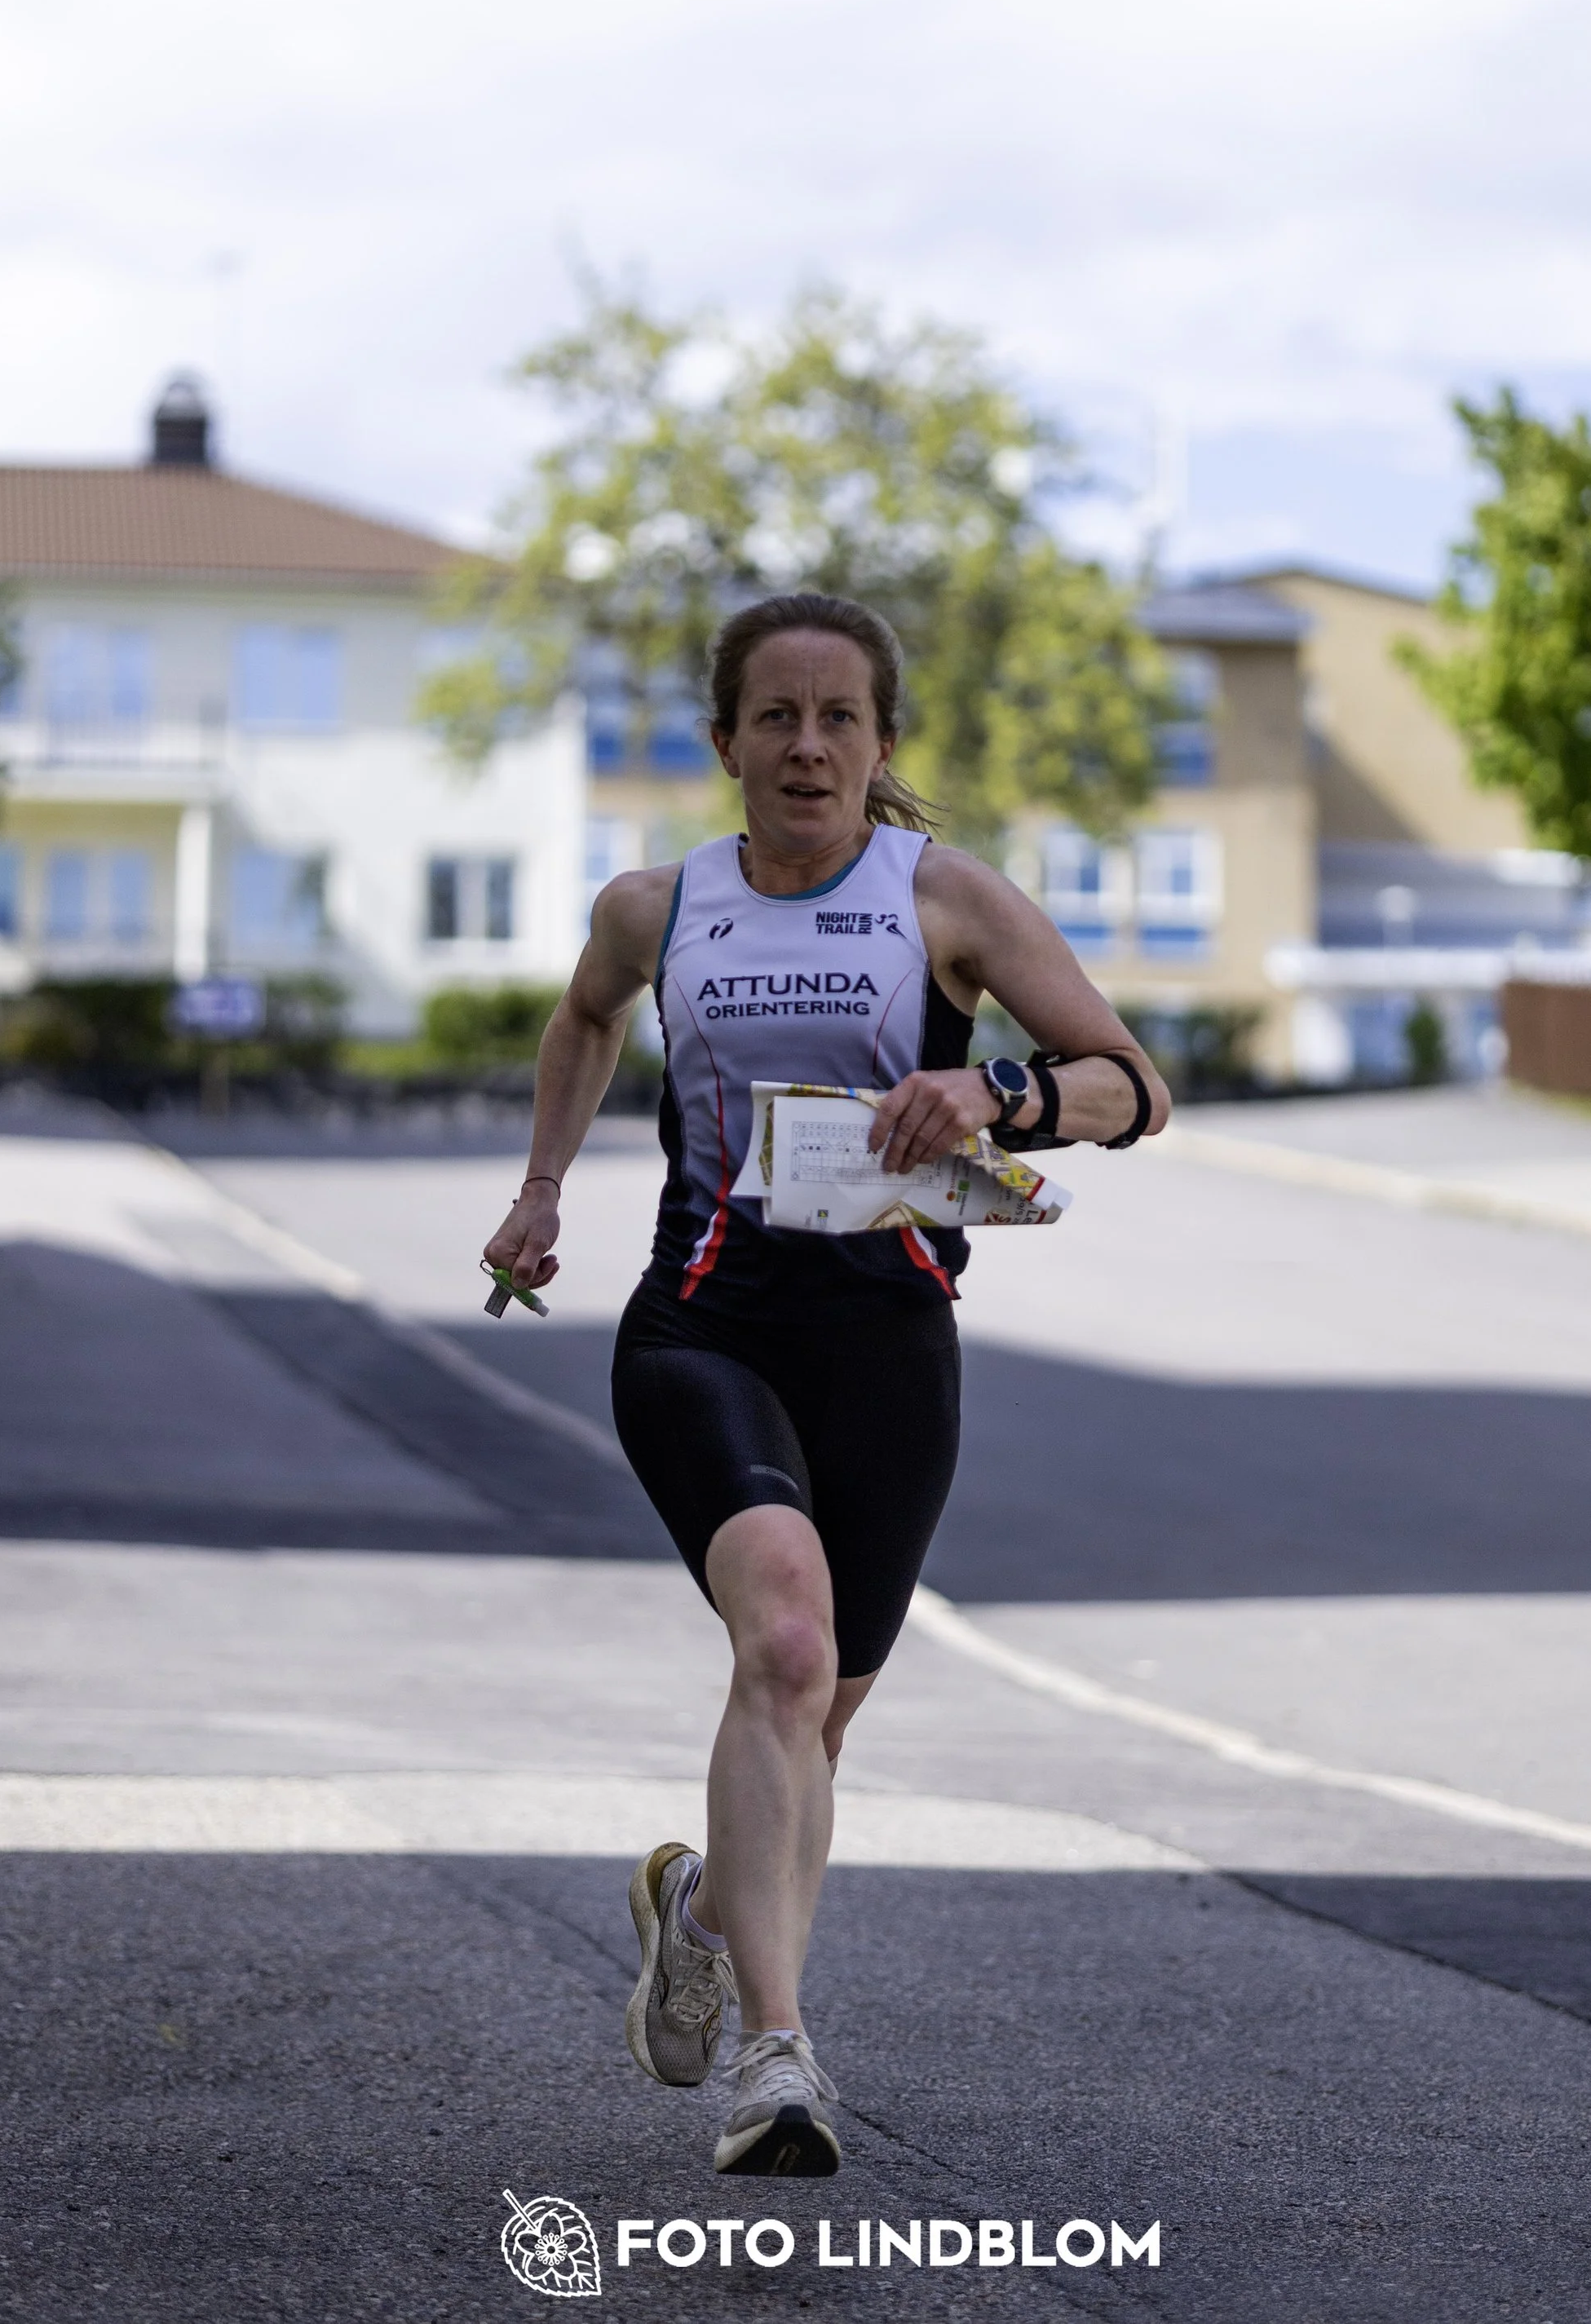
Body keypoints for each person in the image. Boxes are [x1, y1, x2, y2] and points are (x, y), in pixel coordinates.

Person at [481, 590, 1169, 2177]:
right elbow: (583, 1015)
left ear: (879, 742)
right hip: (701, 1327)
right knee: (780, 1637)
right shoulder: (655, 907)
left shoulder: (944, 901)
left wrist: (989, 1085)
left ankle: (702, 1907)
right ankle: (774, 2059)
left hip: (888, 1345)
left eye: (836, 716)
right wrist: (540, 1189)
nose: (805, 744)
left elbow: (1133, 1088)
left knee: (815, 1719)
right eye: (773, 716)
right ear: (720, 740)